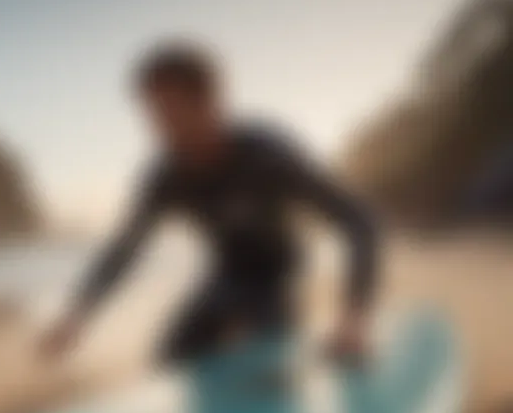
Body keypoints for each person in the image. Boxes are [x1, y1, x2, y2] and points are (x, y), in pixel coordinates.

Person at [40, 42, 379, 365]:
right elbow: (126, 248)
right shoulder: (166, 175)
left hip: (278, 274)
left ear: (210, 102)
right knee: (172, 354)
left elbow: (357, 219)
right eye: (152, 113)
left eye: (170, 111)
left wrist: (354, 317)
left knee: (267, 353)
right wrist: (77, 314)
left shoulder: (266, 154)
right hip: (226, 275)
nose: (160, 127)